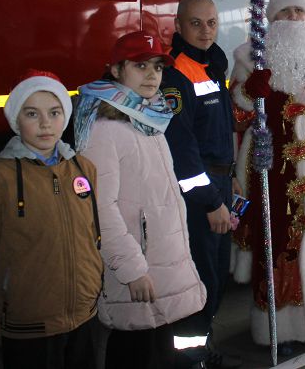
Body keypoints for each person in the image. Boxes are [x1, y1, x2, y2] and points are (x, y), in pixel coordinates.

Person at [74, 32, 206, 369]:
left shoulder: (148, 117)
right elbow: (99, 208)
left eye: (157, 67)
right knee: (133, 351)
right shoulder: (105, 127)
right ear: (116, 70)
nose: (152, 75)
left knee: (158, 352)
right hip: (137, 270)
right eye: (140, 66)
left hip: (159, 264)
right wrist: (131, 269)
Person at [0, 70, 103, 369]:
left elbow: (93, 233)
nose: (45, 123)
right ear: (16, 119)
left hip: (84, 315)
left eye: (54, 112)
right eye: (32, 113)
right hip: (28, 325)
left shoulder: (83, 169)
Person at [229, 0, 305, 349]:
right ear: (272, 17)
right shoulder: (248, 58)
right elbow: (236, 118)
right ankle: (272, 327)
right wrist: (248, 94)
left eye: (299, 11)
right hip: (266, 172)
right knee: (272, 242)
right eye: (285, 12)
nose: (293, 18)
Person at [159, 0, 241, 368]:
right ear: (178, 26)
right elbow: (183, 151)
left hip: (220, 183)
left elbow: (219, 130)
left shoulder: (211, 65)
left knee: (217, 274)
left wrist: (231, 176)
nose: (205, 31)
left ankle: (201, 347)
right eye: (195, 23)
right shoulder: (175, 75)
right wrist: (210, 201)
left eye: (211, 23)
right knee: (200, 277)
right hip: (199, 194)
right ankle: (189, 358)